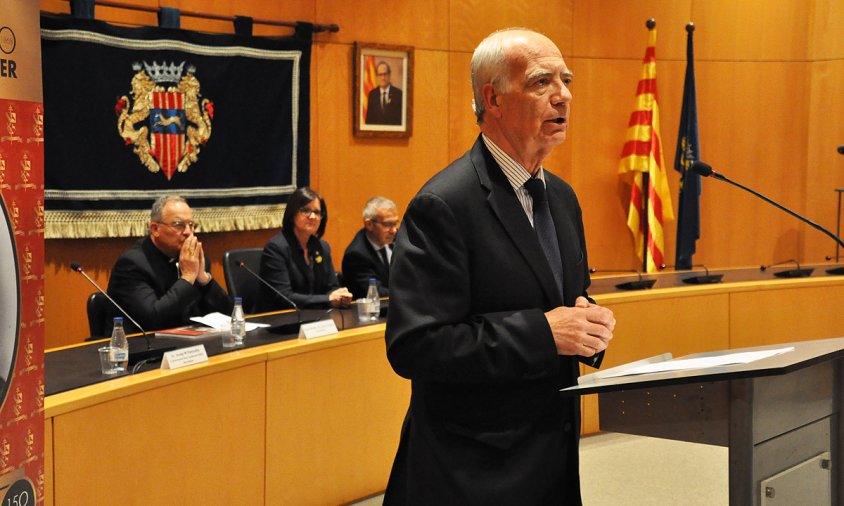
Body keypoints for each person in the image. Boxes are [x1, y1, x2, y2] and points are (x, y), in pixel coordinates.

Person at [383, 28, 616, 505]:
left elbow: (556, 302)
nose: (563, 95)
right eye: (540, 82)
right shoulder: (443, 204)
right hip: (471, 471)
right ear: (493, 98)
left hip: (550, 458)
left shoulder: (565, 200)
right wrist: (545, 333)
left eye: (566, 80)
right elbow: (415, 345)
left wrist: (588, 322)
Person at [107, 195, 232, 333]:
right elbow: (154, 321)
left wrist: (204, 279)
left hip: (190, 345)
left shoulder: (192, 260)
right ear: (155, 229)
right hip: (145, 348)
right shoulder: (131, 265)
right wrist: (188, 277)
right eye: (178, 225)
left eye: (191, 225)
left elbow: (228, 314)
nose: (188, 232)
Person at [258, 187, 352, 311]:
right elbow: (284, 297)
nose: (312, 216)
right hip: (280, 321)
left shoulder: (322, 247)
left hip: (316, 317)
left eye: (317, 212)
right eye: (306, 210)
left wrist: (340, 296)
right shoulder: (276, 248)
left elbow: (331, 287)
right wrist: (328, 299)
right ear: (292, 214)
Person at [341, 196, 399, 299]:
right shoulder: (356, 255)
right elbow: (375, 292)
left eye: (395, 223)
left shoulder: (394, 239)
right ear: (369, 224)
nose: (394, 230)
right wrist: (407, 294)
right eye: (387, 224)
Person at [365, 61, 403, 125]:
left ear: (389, 75)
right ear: (376, 76)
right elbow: (369, 121)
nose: (383, 78)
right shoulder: (372, 95)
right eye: (380, 75)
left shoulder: (399, 94)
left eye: (385, 74)